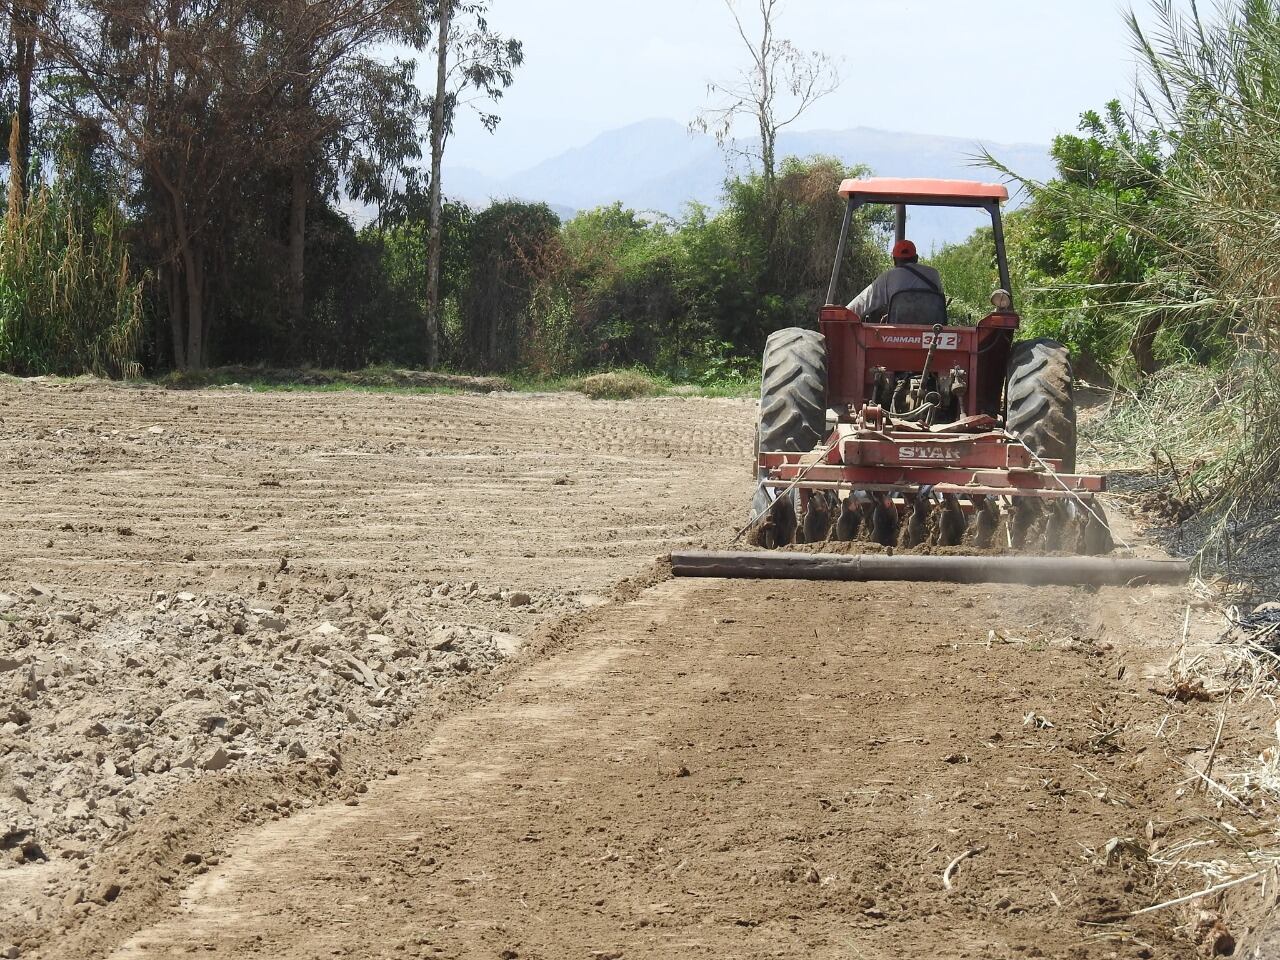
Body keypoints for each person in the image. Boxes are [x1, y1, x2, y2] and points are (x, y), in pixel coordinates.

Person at [848, 239, 943, 321]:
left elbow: (862, 302)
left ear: (894, 260)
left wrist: (844, 312)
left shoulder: (888, 277)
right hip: (931, 330)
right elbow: (940, 303)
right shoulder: (933, 274)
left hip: (897, 332)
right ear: (916, 258)